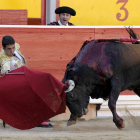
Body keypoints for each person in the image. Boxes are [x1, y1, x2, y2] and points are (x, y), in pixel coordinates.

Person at [0, 35, 53, 128]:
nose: (12, 51)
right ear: (3, 48)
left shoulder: (15, 47)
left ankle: (40, 115)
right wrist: (4, 71)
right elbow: (5, 71)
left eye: (13, 48)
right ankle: (37, 119)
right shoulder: (3, 58)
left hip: (23, 80)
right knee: (33, 92)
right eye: (9, 49)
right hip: (14, 85)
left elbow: (17, 50)